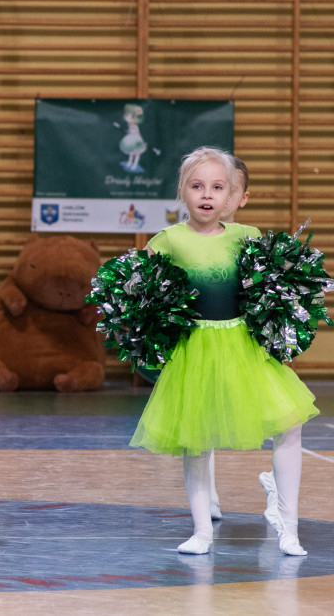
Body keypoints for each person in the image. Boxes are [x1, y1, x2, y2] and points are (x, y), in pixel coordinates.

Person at [128, 147, 318, 556]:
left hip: (246, 349)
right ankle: (202, 531)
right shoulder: (167, 241)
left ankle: (290, 526)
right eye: (197, 186)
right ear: (182, 192)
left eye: (217, 187)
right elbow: (139, 292)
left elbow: (271, 291)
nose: (207, 195)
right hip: (195, 352)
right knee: (195, 438)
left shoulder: (247, 238)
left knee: (289, 425)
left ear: (232, 195)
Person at [204, 154, 251, 521]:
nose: (222, 194)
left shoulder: (251, 240)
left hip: (246, 345)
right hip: (205, 344)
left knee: (282, 421)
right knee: (201, 419)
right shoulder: (186, 238)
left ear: (241, 196)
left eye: (228, 187)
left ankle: (281, 499)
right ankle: (208, 496)